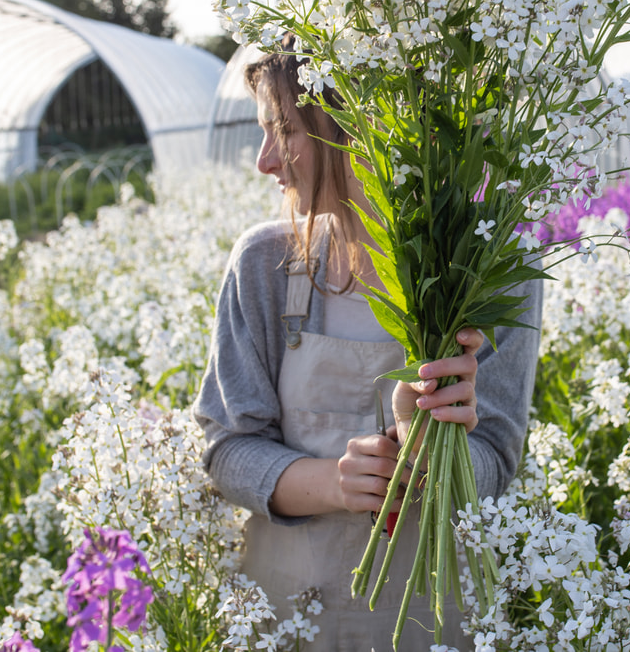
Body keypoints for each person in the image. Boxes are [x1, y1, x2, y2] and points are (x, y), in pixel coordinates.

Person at [194, 39, 542, 651]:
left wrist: (424, 440)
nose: (265, 162)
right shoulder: (264, 264)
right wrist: (333, 482)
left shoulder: (492, 272)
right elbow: (226, 448)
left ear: (359, 132)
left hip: (431, 620)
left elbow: (494, 466)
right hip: (290, 617)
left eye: (286, 132)